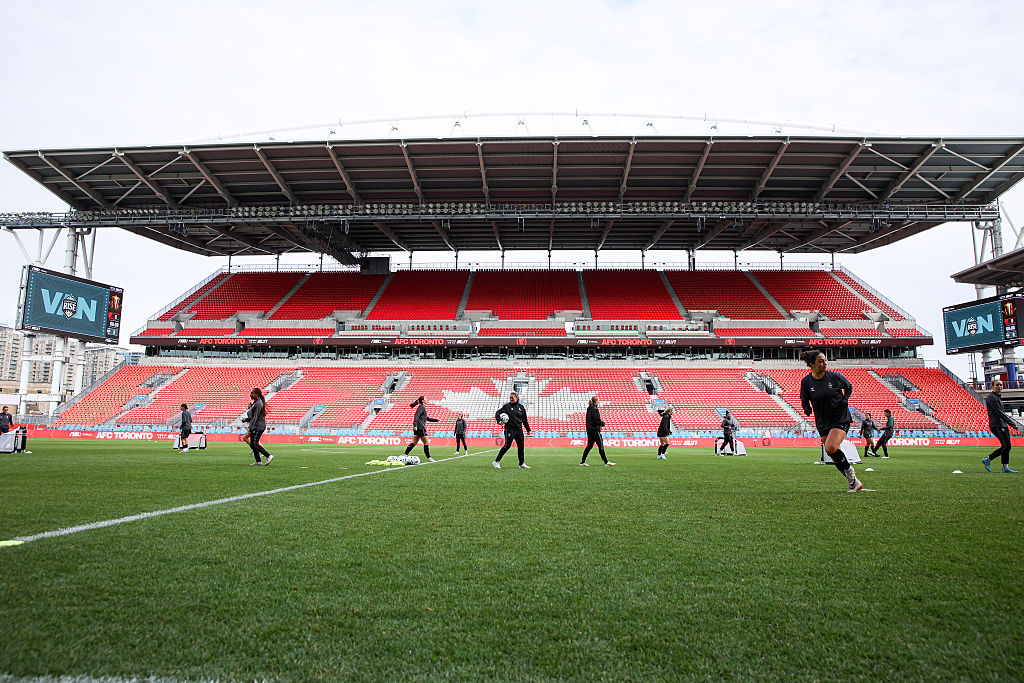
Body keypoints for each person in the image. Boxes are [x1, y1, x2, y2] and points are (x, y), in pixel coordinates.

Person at [799, 349, 863, 492]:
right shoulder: (806, 381)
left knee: (831, 447)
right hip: (822, 420)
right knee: (832, 454)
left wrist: (845, 399)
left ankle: (850, 472)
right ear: (811, 365)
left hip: (839, 416)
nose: (825, 363)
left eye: (825, 360)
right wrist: (806, 408)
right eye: (820, 361)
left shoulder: (835, 377)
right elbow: (804, 398)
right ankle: (853, 482)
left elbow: (849, 387)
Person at [982, 379, 1019, 473]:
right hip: (996, 424)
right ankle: (988, 459)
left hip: (1002, 424)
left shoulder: (998, 397)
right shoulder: (992, 398)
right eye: (997, 385)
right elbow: (999, 412)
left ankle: (1005, 467)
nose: (999, 387)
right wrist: (1012, 423)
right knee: (1006, 446)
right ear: (992, 387)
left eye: (1001, 385)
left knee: (1007, 446)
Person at [493, 391, 531, 469]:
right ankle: (496, 461)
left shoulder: (521, 407)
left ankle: (521, 463)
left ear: (516, 398)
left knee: (521, 446)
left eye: (512, 398)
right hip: (509, 429)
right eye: (510, 398)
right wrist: (499, 420)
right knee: (507, 446)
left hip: (519, 430)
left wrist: (528, 429)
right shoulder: (506, 406)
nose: (511, 399)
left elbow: (524, 419)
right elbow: (498, 413)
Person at [241, 387, 274, 466]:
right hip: (256, 425)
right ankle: (258, 461)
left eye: (252, 393)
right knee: (252, 443)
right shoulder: (256, 402)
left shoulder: (258, 403)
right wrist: (246, 419)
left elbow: (255, 417)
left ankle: (268, 456)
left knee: (255, 443)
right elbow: (253, 417)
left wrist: (251, 426)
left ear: (257, 394)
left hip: (259, 426)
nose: (251, 394)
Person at [581, 395, 615, 466]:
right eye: (598, 400)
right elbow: (596, 420)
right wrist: (602, 423)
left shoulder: (589, 408)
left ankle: (583, 461)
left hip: (590, 430)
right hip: (595, 430)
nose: (599, 402)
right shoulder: (594, 409)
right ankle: (606, 462)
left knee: (589, 446)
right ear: (596, 402)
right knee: (600, 446)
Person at [403, 396, 438, 462]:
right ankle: (429, 458)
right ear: (423, 401)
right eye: (426, 399)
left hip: (419, 427)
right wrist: (415, 425)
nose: (427, 399)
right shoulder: (422, 407)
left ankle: (405, 455)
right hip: (420, 427)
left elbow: (426, 418)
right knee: (426, 442)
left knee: (414, 442)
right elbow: (416, 415)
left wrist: (435, 420)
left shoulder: (423, 407)